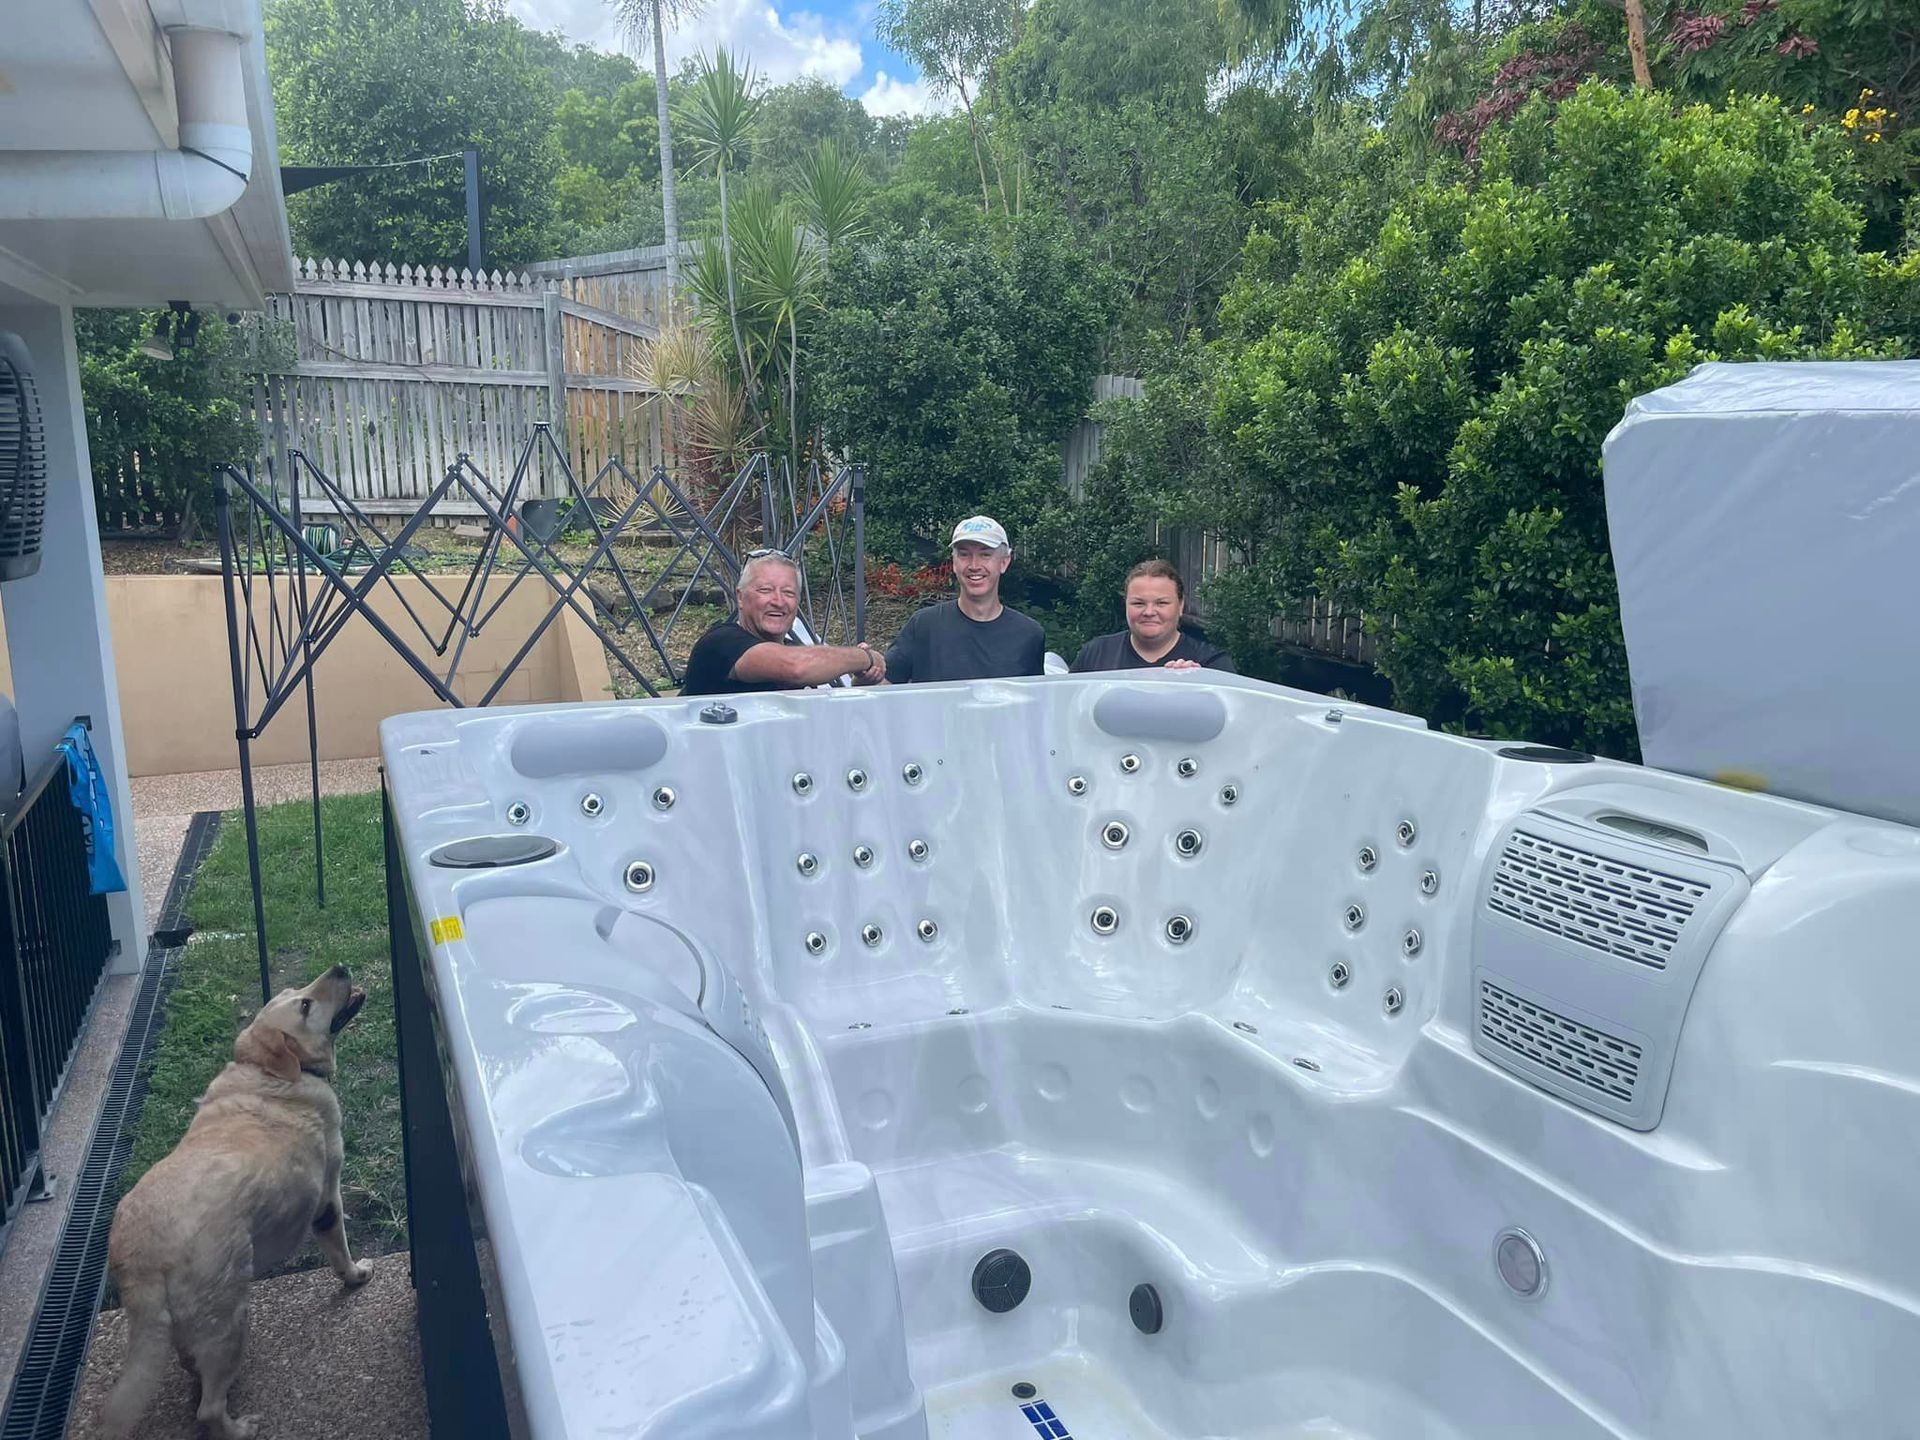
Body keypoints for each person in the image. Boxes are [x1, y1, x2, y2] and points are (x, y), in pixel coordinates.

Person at [681, 551, 886, 696]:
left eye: (788, 593)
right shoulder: (721, 643)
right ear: (740, 597)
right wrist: (866, 657)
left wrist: (861, 684)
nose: (778, 602)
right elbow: (795, 667)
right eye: (765, 590)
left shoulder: (798, 651)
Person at [885, 515, 1047, 683]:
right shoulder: (923, 626)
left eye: (985, 555)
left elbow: (1035, 703)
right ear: (954, 563)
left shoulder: (1029, 635)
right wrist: (865, 674)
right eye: (964, 555)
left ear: (1004, 562)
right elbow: (883, 687)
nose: (974, 565)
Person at [1070, 559, 1236, 673]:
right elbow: (1067, 711)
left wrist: (1199, 686)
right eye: (1138, 603)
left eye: (1161, 603)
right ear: (1125, 604)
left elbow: (1234, 719)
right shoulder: (1095, 654)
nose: (1149, 612)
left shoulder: (1211, 663)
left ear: (1180, 606)